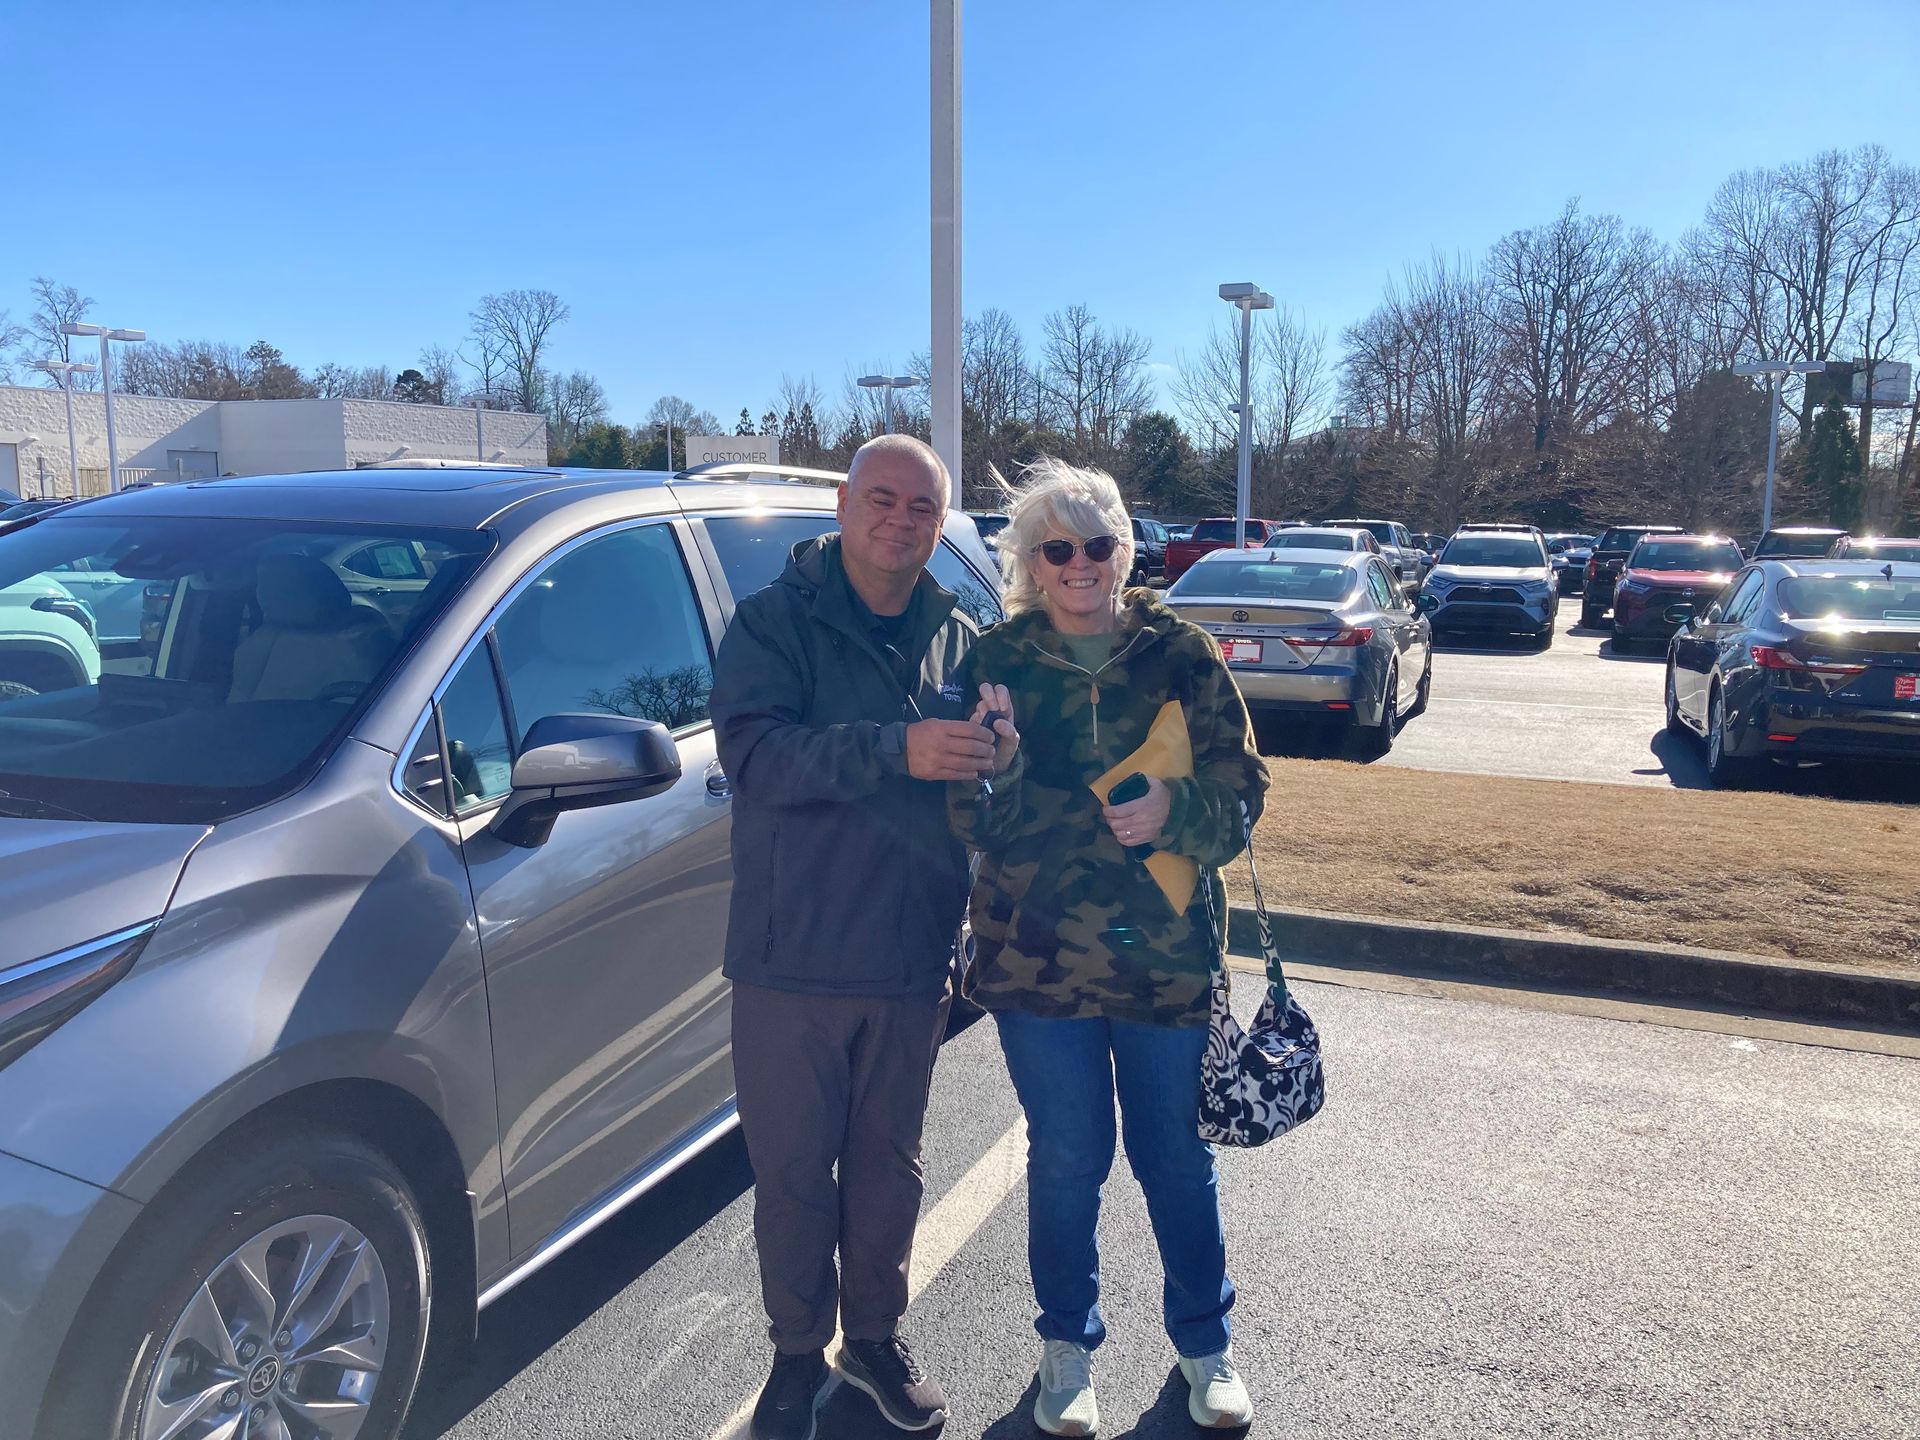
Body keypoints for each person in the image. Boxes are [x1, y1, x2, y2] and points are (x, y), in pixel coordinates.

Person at [949, 459, 1270, 1436]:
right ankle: (1066, 1349)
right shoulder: (995, 660)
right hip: (1034, 962)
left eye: (1097, 544)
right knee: (1067, 1160)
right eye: (1057, 548)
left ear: (1125, 550)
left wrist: (1179, 808)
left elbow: (1243, 797)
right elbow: (964, 813)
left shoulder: (1182, 655)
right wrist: (999, 768)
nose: (1079, 563)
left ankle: (1205, 1347)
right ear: (1030, 559)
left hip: (1165, 958)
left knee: (1174, 1159)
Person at [710, 433, 1010, 1440]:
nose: (900, 520)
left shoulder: (958, 635)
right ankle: (796, 1355)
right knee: (794, 1177)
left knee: (890, 1171)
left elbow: (974, 792)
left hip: (907, 960)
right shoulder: (774, 622)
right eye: (882, 499)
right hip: (791, 958)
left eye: (922, 507)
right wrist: (896, 750)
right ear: (842, 506)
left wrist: (996, 759)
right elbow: (757, 759)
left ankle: (873, 1338)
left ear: (938, 524)